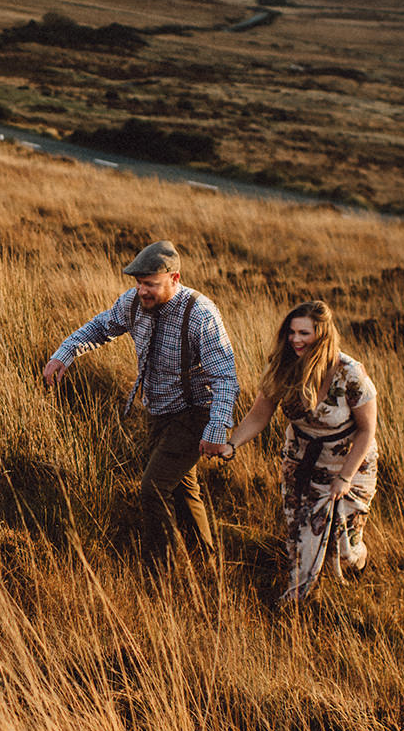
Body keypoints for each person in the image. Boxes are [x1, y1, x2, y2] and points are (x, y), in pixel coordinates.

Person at [42, 241, 239, 572]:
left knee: (153, 489)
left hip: (195, 412)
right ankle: (207, 566)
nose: (142, 291)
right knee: (182, 488)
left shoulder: (201, 314)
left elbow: (225, 377)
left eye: (150, 284)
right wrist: (66, 352)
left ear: (174, 278)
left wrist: (217, 429)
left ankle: (156, 572)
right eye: (139, 283)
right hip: (158, 411)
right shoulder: (133, 303)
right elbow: (100, 327)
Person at [222, 300, 379, 605]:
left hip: (351, 465)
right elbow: (258, 416)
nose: (295, 339)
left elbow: (367, 430)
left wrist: (344, 478)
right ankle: (294, 605)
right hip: (302, 463)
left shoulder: (350, 373)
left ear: (322, 335)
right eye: (292, 332)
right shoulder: (282, 367)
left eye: (304, 333)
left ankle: (358, 564)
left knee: (343, 549)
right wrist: (231, 444)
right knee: (301, 544)